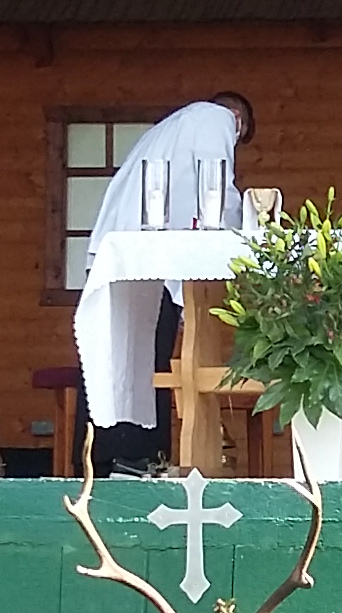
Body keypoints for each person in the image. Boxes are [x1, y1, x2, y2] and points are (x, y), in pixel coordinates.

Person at [82, 93, 254, 477]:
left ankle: (119, 456)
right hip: (148, 254)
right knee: (144, 357)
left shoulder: (172, 127)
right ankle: (133, 455)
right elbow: (215, 187)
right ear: (237, 119)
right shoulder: (216, 118)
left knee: (130, 356)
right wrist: (249, 230)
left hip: (130, 248)